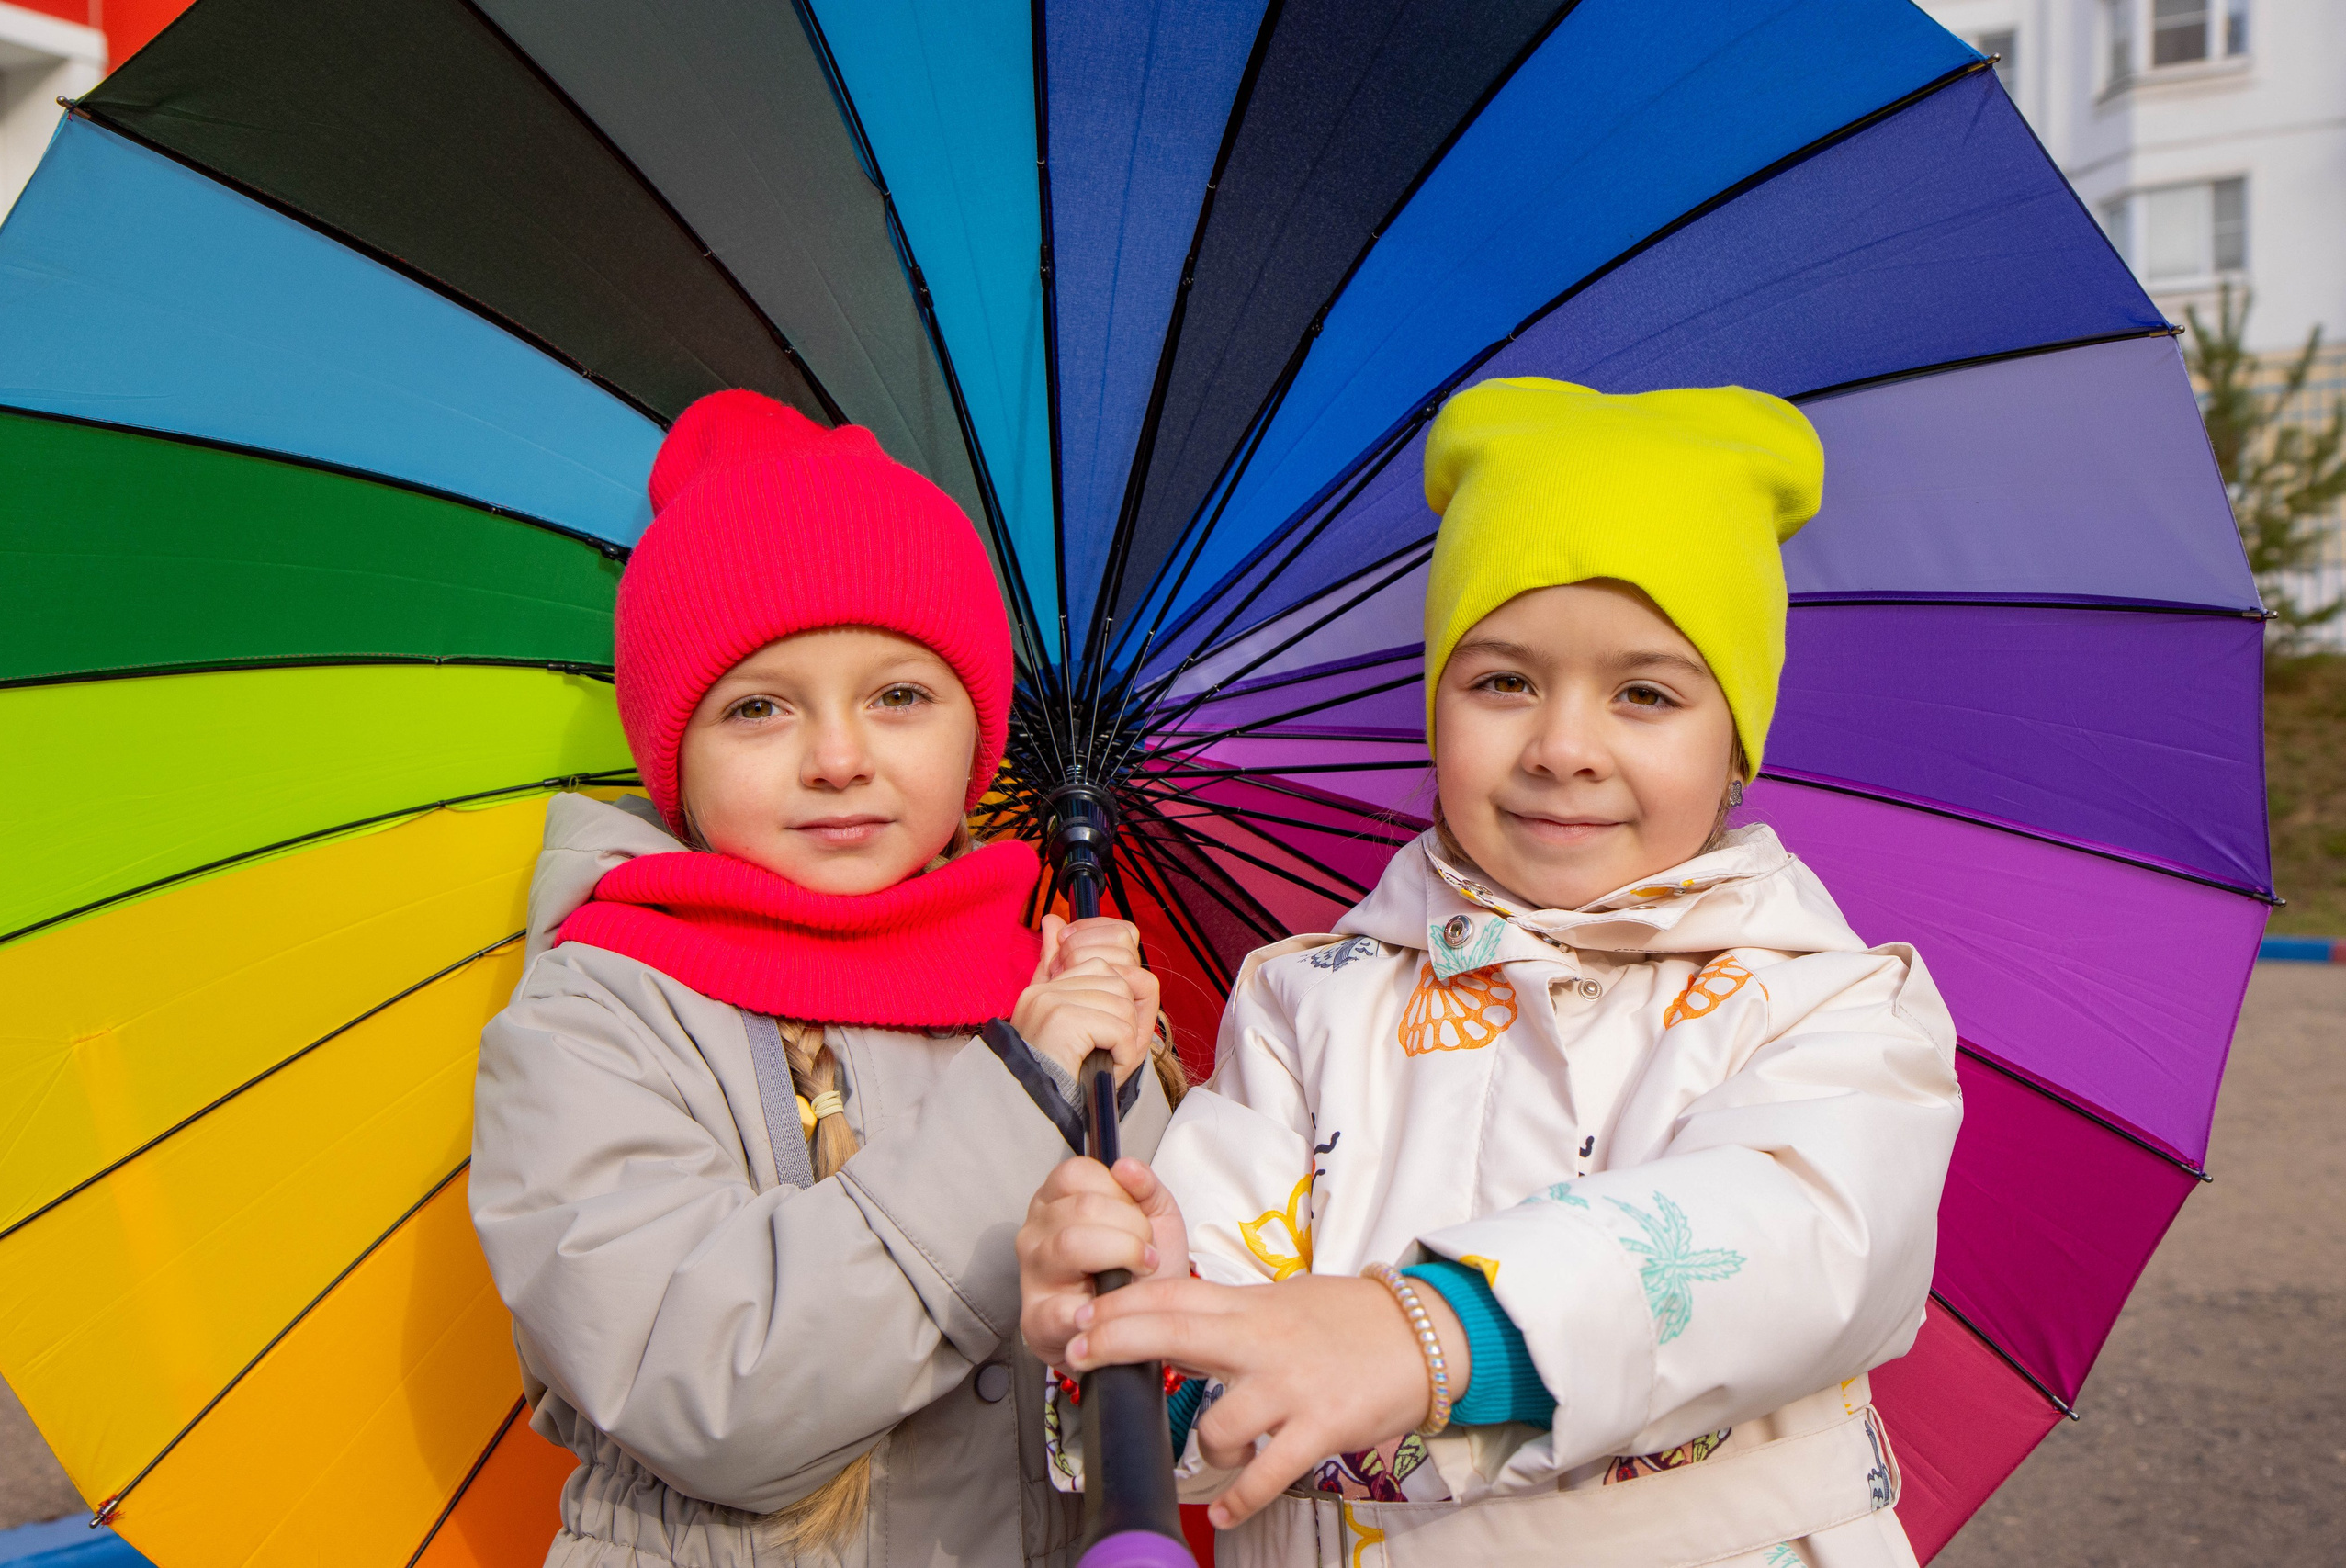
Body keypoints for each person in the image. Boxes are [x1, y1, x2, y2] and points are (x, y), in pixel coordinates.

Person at [1018, 378, 1961, 1566]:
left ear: (1736, 745)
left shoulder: (1827, 1001)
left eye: (1645, 693)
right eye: (1503, 679)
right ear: (1435, 705)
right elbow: (1231, 1368)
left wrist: (1429, 1329)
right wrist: (1154, 1308)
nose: (1563, 745)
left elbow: (1802, 1234)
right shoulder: (1308, 998)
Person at [470, 390, 1179, 1568]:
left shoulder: (1045, 981)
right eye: (758, 708)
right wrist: (1029, 1100)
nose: (840, 758)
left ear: (976, 731)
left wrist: (1130, 1089)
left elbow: (1162, 1365)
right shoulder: (604, 1014)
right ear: (674, 759)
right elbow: (709, 1390)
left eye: (899, 696)